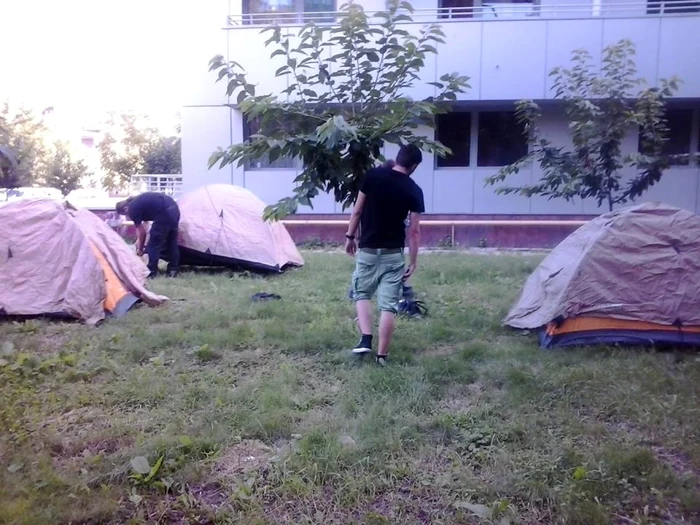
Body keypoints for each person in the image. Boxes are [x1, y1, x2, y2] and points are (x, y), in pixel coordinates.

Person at [345, 144, 425, 366]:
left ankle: (365, 338)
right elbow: (415, 231)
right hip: (393, 254)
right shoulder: (414, 190)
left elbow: (357, 211)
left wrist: (350, 236)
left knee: (361, 293)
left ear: (397, 158)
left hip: (369, 249)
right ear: (414, 166)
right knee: (388, 305)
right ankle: (381, 357)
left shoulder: (373, 176)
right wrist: (414, 261)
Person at [116, 192, 181, 278]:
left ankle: (152, 271)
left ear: (125, 209)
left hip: (163, 213)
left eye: (126, 214)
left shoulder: (132, 208)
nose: (128, 216)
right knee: (171, 242)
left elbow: (142, 232)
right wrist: (138, 241)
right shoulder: (139, 202)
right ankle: (173, 270)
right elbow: (144, 226)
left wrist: (140, 249)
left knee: (153, 246)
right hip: (174, 209)